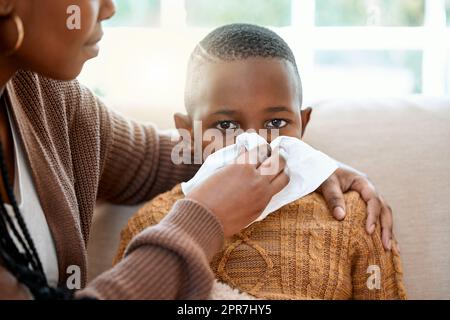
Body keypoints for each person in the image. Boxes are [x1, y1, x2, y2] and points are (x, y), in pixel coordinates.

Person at [0, 1, 394, 300]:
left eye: (277, 121)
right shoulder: (148, 223)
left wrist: (304, 162)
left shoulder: (48, 100)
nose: (109, 7)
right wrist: (201, 221)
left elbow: (166, 156)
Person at [114, 24, 406, 300]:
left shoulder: (354, 216)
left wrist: (317, 167)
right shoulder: (152, 225)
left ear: (303, 124)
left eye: (277, 122)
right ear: (188, 132)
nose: (255, 144)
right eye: (227, 126)